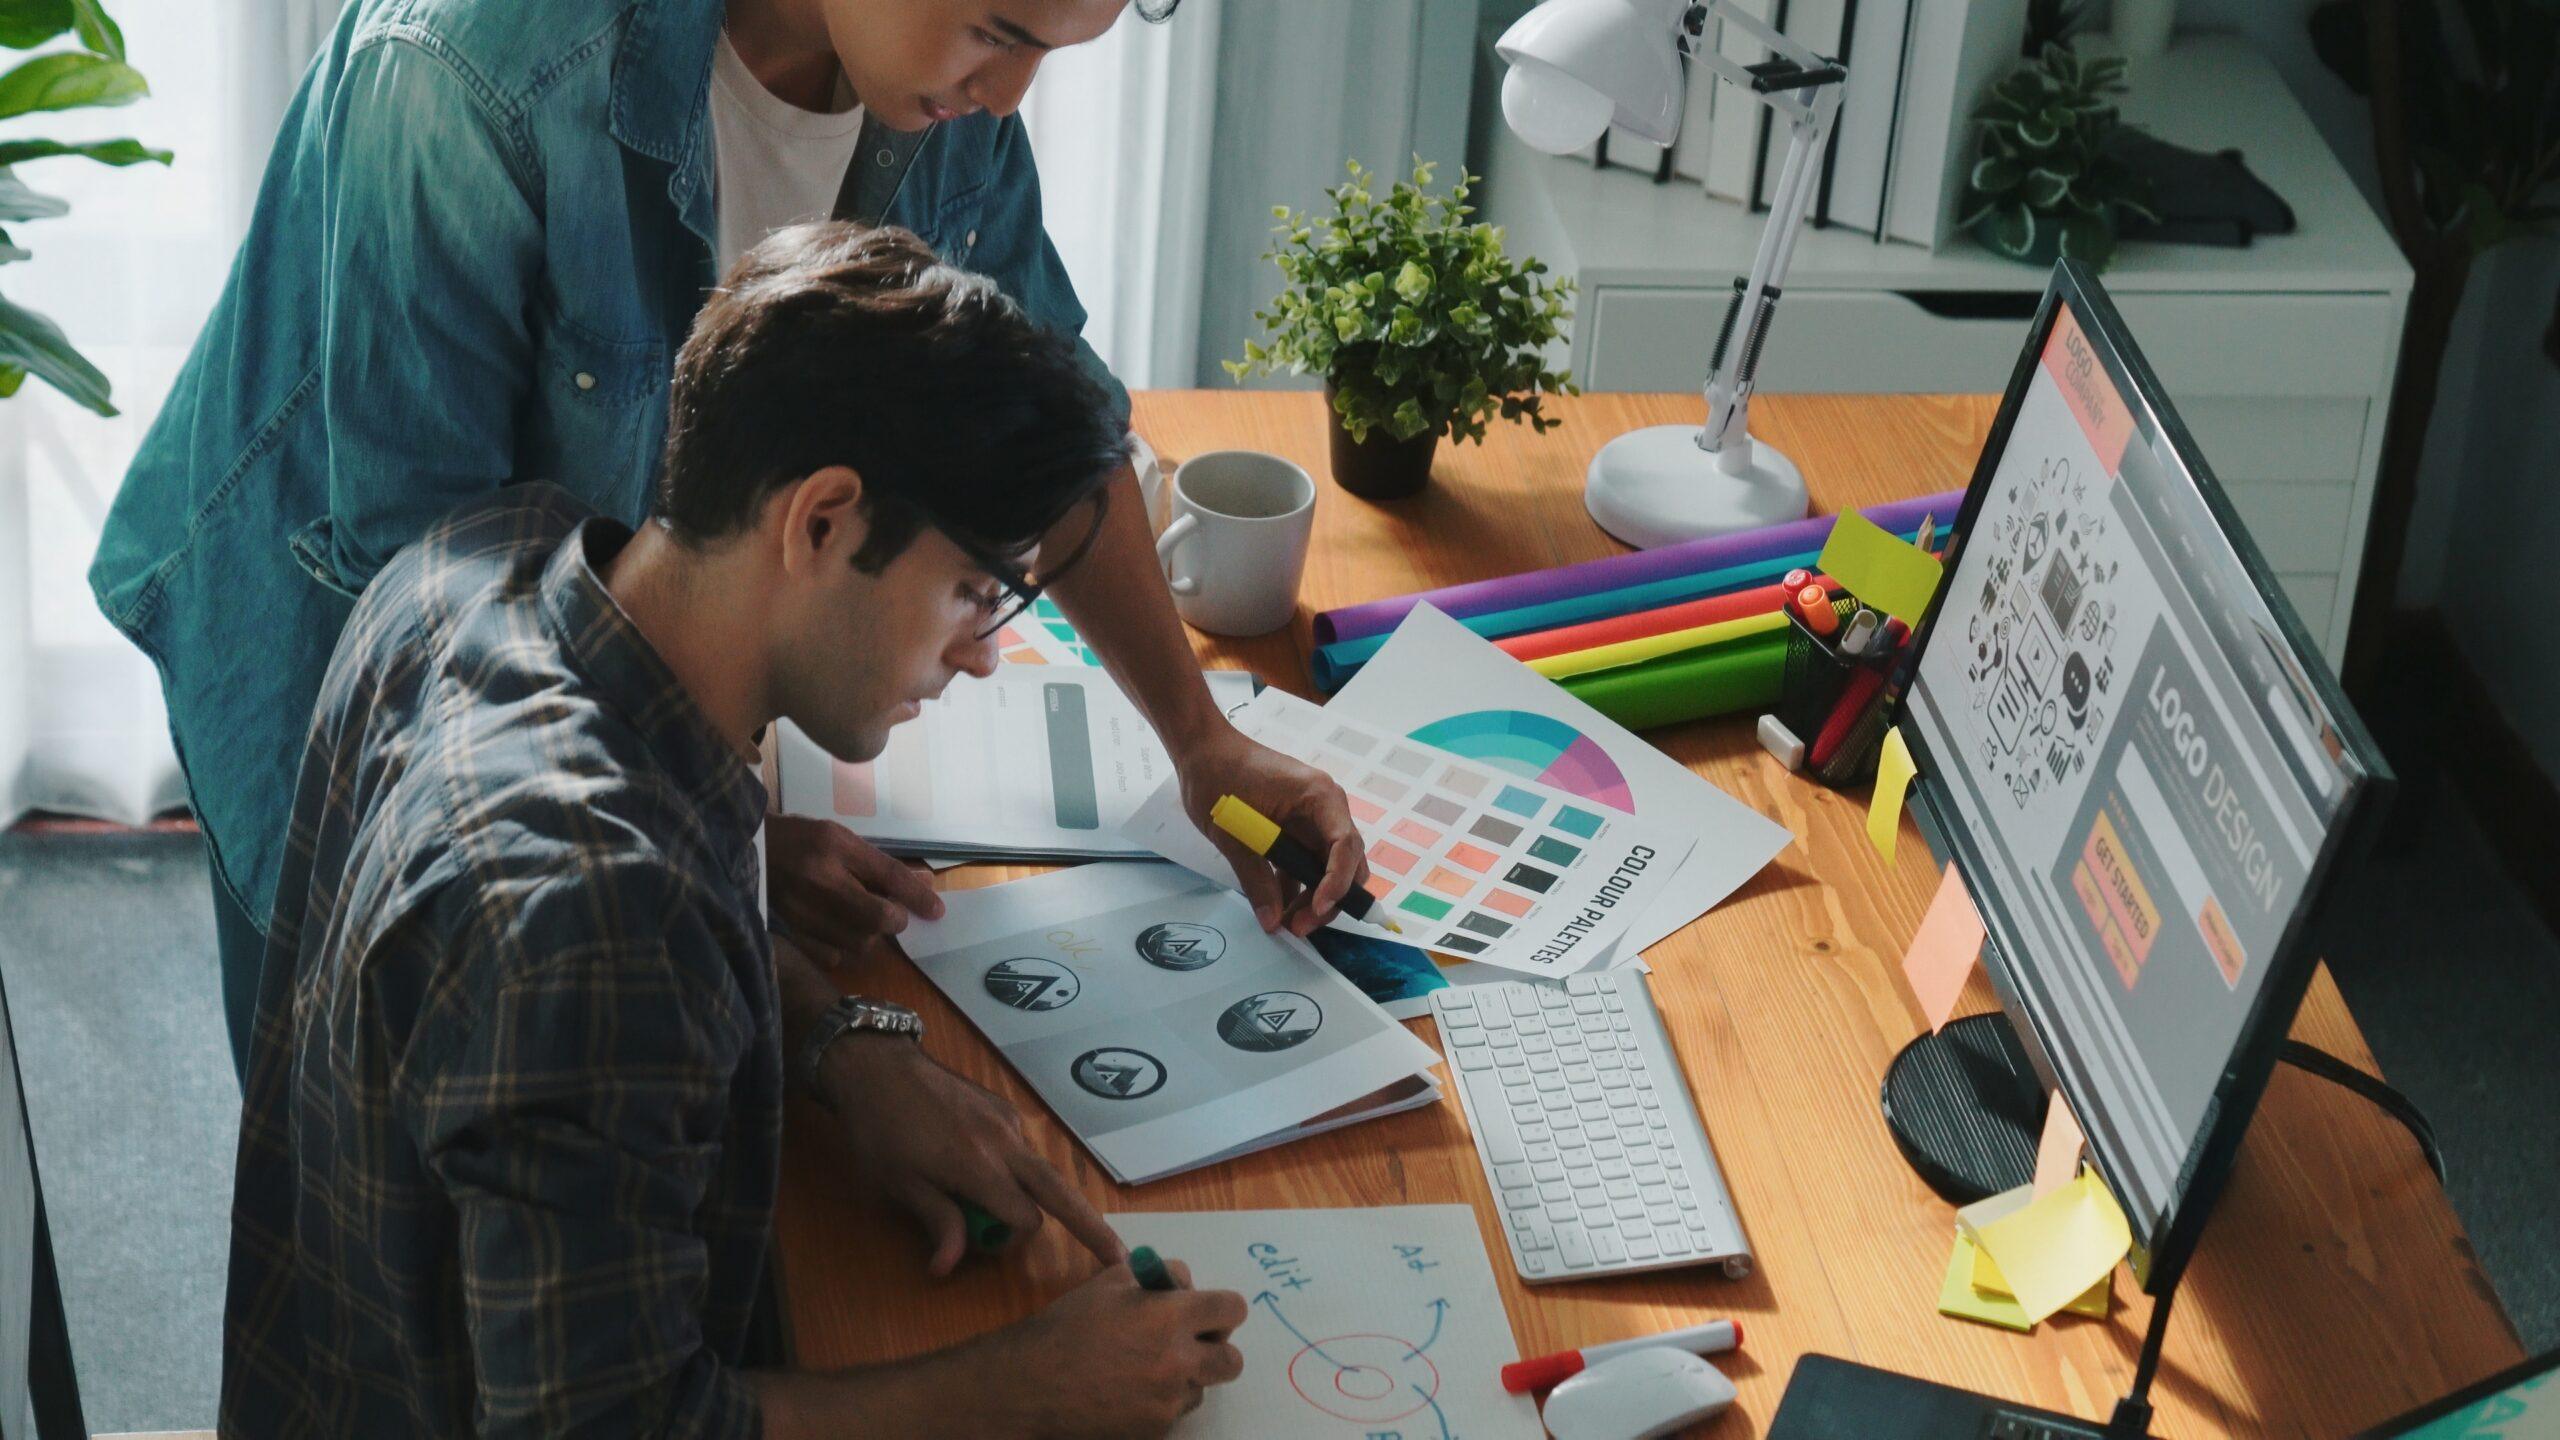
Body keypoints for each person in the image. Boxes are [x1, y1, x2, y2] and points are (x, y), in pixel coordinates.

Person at [88, 0, 1361, 1079]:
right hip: (337, 655)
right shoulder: (461, 76)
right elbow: (436, 620)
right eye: (997, 29)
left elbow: (1052, 438)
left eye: (1052, 49)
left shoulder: (941, 98)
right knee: (361, 1169)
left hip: (618, 682)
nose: (1011, 91)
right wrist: (728, 853)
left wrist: (1204, 743)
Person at [224, 220, 1252, 1436]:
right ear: (821, 521)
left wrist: (832, 1043)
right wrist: (1029, 1386)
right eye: (979, 590)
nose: (982, 654)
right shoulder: (600, 918)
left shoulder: (481, 560)